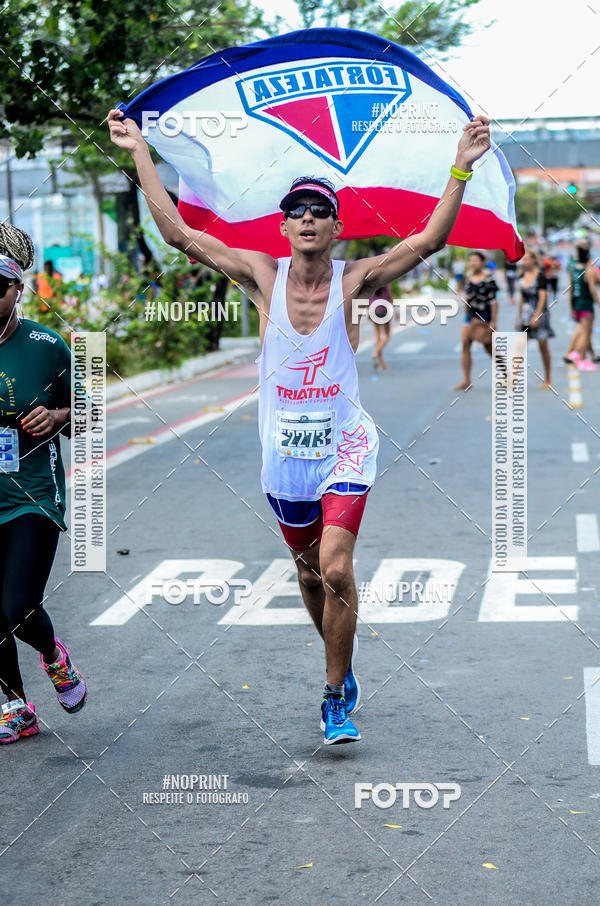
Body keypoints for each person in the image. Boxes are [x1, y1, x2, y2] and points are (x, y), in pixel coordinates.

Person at [108, 107, 491, 744]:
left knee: (337, 569)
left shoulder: (356, 278)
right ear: (284, 226)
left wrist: (461, 165)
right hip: (283, 456)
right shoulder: (262, 274)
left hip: (345, 444)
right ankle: (340, 660)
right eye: (298, 211)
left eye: (319, 210)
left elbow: (427, 241)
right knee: (310, 575)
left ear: (338, 227)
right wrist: (140, 151)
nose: (308, 218)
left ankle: (334, 692)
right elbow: (177, 234)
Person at [0, 224, 87, 745]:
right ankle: (15, 705)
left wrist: (58, 416)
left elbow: (88, 414)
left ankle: (53, 655)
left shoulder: (46, 345)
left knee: (17, 605)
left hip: (33, 492)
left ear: (18, 291)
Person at [454, 251, 501, 391]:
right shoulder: (468, 278)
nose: (473, 263)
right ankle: (466, 380)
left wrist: (493, 321)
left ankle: (506, 373)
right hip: (470, 317)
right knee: (465, 345)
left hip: (484, 317)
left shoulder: (489, 279)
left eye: (476, 260)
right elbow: (467, 297)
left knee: (489, 348)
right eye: (471, 261)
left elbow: (493, 301)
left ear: (482, 262)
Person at [515, 248, 554, 388]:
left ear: (533, 260)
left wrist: (537, 315)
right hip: (526, 314)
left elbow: (543, 297)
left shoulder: (540, 276)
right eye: (522, 259)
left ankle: (548, 379)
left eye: (526, 259)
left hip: (540, 314)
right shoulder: (521, 277)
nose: (523, 261)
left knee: (543, 346)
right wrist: (518, 317)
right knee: (520, 346)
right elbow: (521, 299)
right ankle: (512, 377)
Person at [565, 239, 599, 371]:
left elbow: (570, 289)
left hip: (577, 303)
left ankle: (583, 358)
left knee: (583, 332)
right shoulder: (589, 270)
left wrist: (571, 307)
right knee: (585, 334)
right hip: (586, 303)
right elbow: (593, 290)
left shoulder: (573, 268)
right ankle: (576, 355)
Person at [369, 284, 394, 370]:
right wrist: (394, 308)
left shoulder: (372, 280)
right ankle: (376, 351)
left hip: (373, 309)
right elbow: (389, 295)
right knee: (387, 335)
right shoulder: (386, 280)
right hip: (384, 309)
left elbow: (367, 297)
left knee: (378, 336)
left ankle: (381, 364)